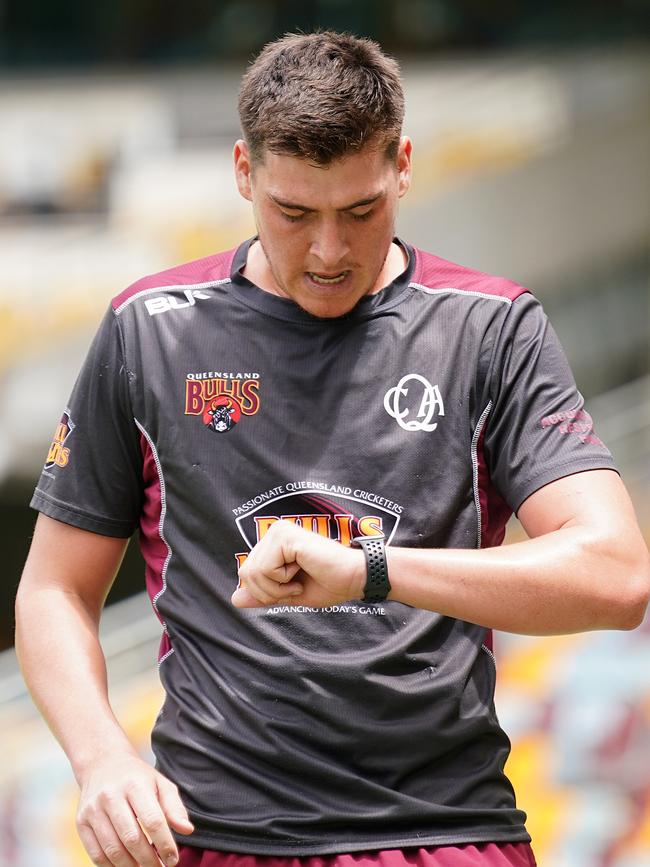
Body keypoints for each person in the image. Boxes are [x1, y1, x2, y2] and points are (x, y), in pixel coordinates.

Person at [15, 29, 649, 867]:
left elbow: (617, 575)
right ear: (244, 172)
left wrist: (373, 568)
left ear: (403, 165)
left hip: (442, 833)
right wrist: (100, 758)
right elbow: (53, 589)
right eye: (293, 212)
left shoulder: (490, 328)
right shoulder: (150, 331)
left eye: (360, 211)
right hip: (217, 840)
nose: (327, 250)